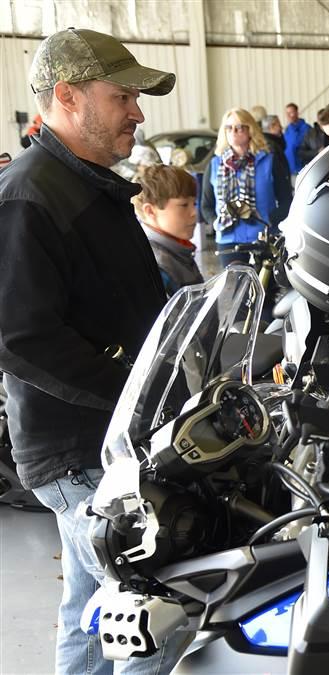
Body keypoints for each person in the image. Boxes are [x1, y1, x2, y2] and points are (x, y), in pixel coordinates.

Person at [0, 28, 185, 675]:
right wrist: (131, 392)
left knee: (95, 606)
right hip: (82, 450)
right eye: (123, 96)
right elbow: (20, 337)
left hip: (107, 441)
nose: (137, 110)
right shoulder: (30, 195)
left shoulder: (88, 186)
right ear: (68, 96)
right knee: (152, 614)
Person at [201, 107, 292, 266]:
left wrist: (269, 220)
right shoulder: (215, 165)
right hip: (228, 240)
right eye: (229, 128)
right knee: (236, 289)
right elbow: (206, 205)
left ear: (250, 130)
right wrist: (217, 222)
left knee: (266, 289)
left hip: (264, 238)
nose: (233, 131)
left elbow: (287, 201)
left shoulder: (269, 161)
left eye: (239, 127)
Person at [133, 164, 203, 295]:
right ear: (150, 211)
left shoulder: (177, 250)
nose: (194, 212)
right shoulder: (156, 266)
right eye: (184, 205)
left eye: (194, 203)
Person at [282, 102, 311, 175]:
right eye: (287, 113)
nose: (288, 116)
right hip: (289, 170)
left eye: (291, 112)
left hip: (302, 169)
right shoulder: (287, 130)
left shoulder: (306, 128)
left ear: (297, 113)